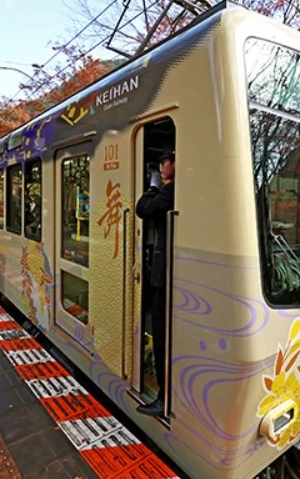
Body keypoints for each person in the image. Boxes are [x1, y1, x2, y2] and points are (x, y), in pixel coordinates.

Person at [134, 149, 175, 417]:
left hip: (166, 273)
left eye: (166, 160)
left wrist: (152, 187)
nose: (162, 165)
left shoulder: (171, 190)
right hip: (171, 270)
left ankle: (163, 397)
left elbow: (143, 209)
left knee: (162, 334)